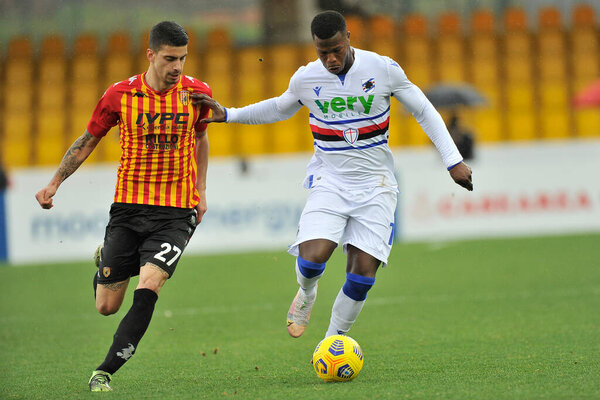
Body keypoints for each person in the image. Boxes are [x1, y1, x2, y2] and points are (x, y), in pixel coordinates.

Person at [193, 10, 472, 341]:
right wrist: (230, 114)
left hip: (377, 186)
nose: (330, 58)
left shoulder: (382, 69)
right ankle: (307, 293)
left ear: (348, 38)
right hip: (331, 181)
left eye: (336, 49)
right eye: (322, 52)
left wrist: (452, 160)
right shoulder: (306, 78)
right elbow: (280, 108)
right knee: (312, 259)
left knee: (362, 276)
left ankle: (331, 342)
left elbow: (424, 110)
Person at [35, 21, 211, 392]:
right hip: (129, 209)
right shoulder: (119, 95)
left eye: (182, 58)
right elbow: (87, 140)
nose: (177, 67)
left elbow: (200, 138)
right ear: (151, 54)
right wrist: (54, 183)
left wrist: (201, 190)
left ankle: (104, 371)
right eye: (169, 58)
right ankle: (105, 260)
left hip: (176, 212)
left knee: (150, 283)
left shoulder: (197, 93)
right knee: (106, 306)